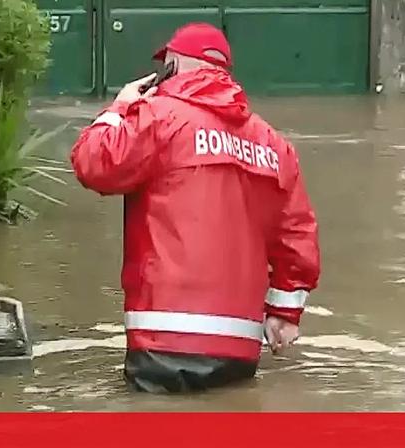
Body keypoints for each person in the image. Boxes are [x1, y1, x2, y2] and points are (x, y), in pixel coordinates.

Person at [70, 23, 321, 393]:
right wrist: (284, 314)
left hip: (162, 341)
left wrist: (119, 108)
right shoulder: (274, 145)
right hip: (240, 348)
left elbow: (93, 164)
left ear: (175, 64)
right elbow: (297, 238)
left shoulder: (157, 117)